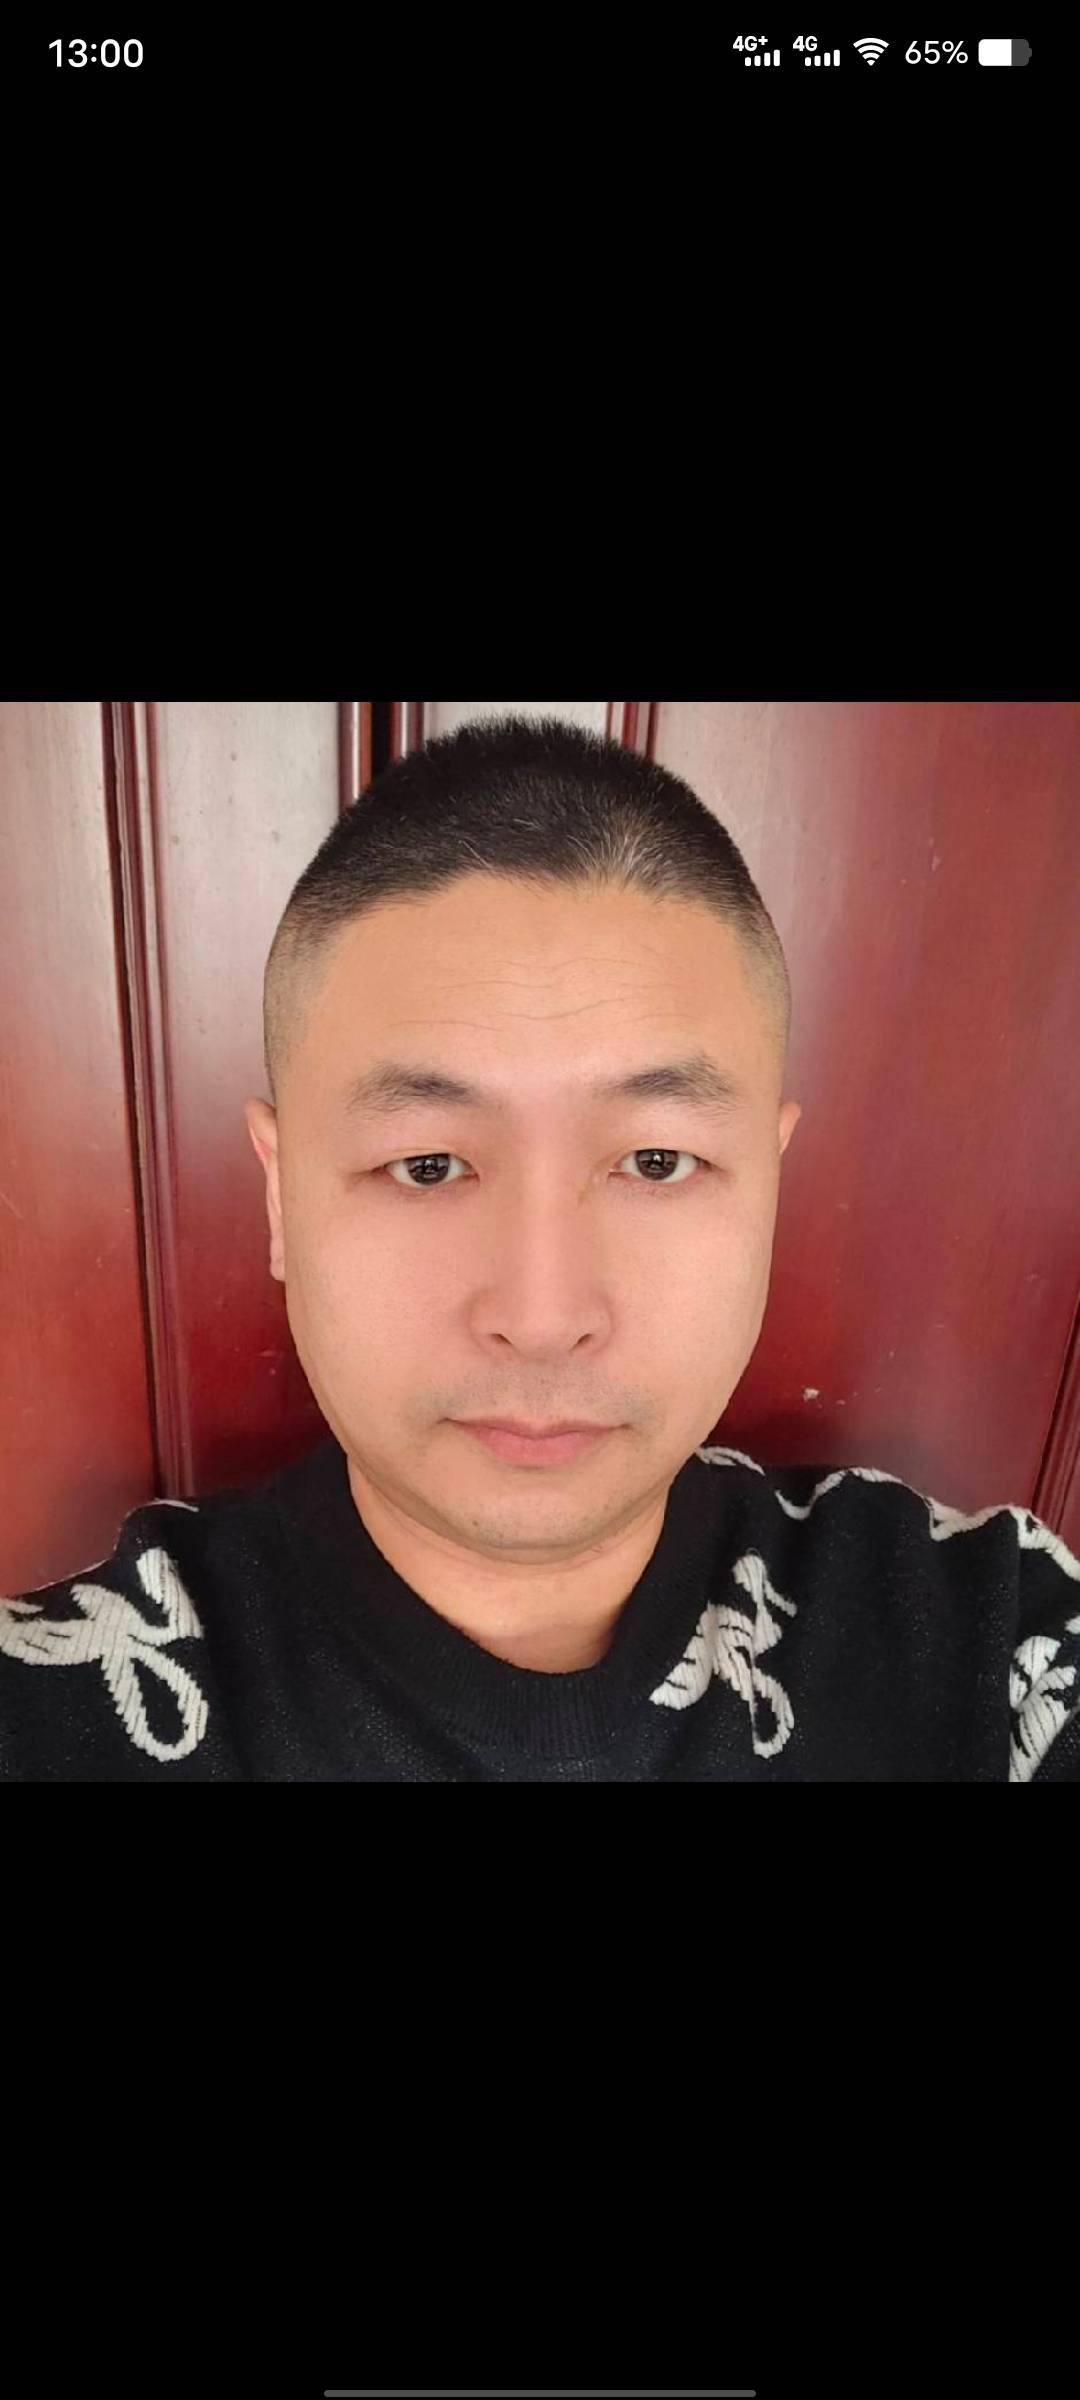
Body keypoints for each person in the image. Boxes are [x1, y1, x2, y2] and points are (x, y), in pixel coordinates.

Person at [3, 714, 1077, 1779]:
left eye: (656, 1161)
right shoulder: (64, 1699)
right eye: (429, 1165)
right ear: (282, 1196)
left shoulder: (988, 1646)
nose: (544, 1316)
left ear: (770, 1181)